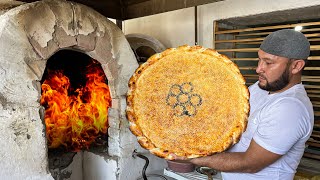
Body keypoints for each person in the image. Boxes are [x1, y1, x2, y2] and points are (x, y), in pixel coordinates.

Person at [175, 29, 314, 180]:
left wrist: (191, 157)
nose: (258, 69)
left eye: (268, 62)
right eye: (259, 60)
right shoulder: (261, 88)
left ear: (296, 66)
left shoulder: (290, 108)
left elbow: (250, 163)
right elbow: (229, 115)